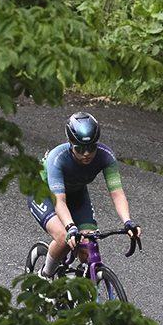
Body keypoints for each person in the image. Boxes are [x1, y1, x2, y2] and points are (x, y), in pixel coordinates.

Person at [28, 111, 140, 279]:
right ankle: (45, 275)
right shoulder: (57, 158)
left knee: (88, 246)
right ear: (70, 143)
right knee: (63, 238)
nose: (86, 153)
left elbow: (117, 193)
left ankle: (80, 292)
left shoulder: (106, 156)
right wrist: (71, 227)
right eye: (80, 148)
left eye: (90, 147)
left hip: (76, 193)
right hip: (44, 192)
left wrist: (128, 222)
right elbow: (59, 201)